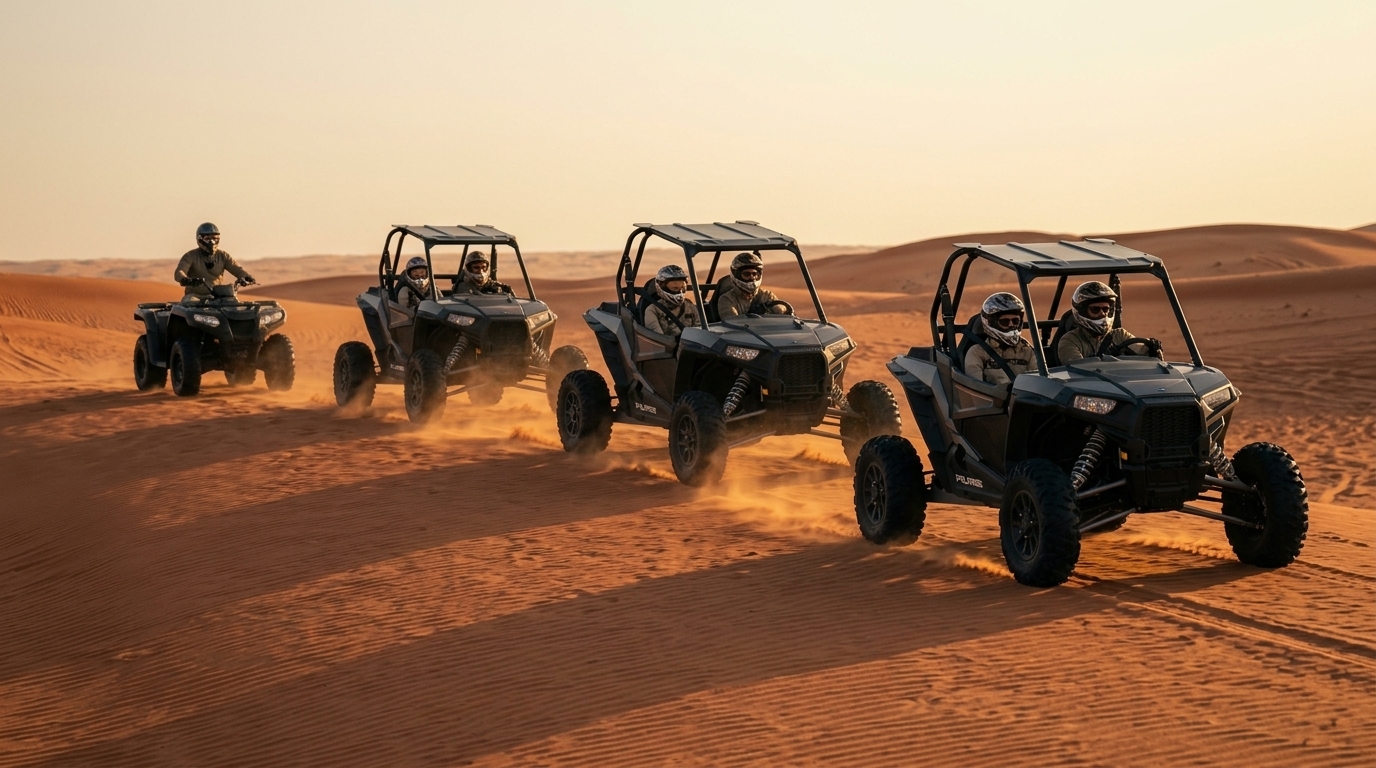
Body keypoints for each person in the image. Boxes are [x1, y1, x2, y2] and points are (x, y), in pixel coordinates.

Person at [1057, 281, 1139, 364]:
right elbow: (1078, 369)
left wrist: (1151, 347)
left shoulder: (1120, 335)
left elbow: (1143, 350)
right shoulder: (1070, 340)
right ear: (1083, 312)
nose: (1102, 314)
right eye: (1095, 310)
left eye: (1105, 309)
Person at [964, 292, 1034, 386]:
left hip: (1026, 399)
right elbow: (976, 388)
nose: (1011, 325)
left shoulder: (1027, 350)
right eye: (1005, 321)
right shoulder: (977, 352)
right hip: (993, 399)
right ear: (992, 323)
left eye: (1015, 321)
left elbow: (1038, 383)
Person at [173, 222, 254, 299]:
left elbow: (236, 268)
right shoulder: (190, 256)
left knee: (234, 305)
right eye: (207, 238)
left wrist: (246, 277)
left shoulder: (223, 256)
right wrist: (185, 279)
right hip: (195, 296)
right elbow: (180, 271)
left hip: (218, 297)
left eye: (214, 238)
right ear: (199, 239)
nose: (212, 242)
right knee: (189, 303)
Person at [716, 252, 787, 318]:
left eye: (754, 274)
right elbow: (732, 323)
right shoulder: (726, 299)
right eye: (746, 274)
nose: (752, 277)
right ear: (737, 275)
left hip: (768, 331)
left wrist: (781, 309)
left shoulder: (767, 295)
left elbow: (782, 313)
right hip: (741, 331)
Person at [643, 264, 700, 339]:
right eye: (675, 288)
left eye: (682, 287)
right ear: (662, 286)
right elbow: (659, 339)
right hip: (668, 349)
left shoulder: (689, 305)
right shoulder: (653, 310)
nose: (679, 291)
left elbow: (700, 330)